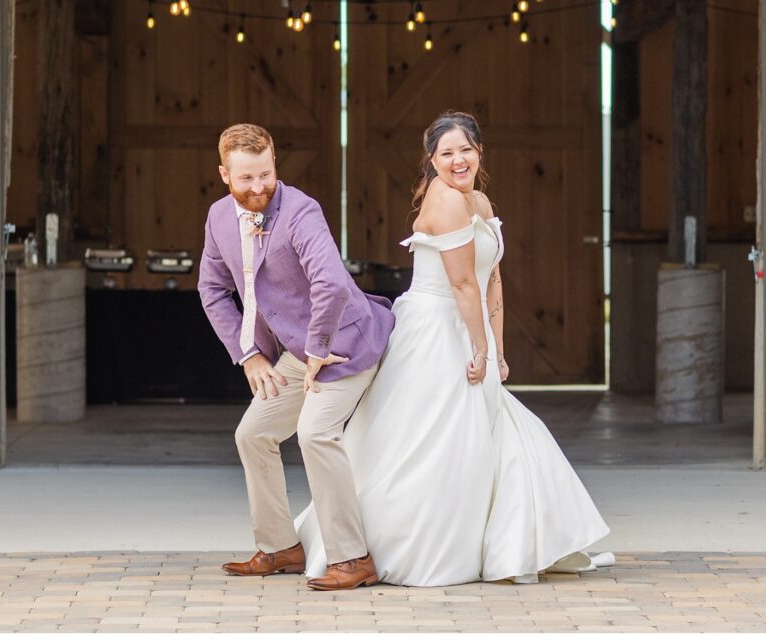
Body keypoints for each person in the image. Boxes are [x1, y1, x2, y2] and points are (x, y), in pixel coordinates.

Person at [294, 111, 612, 586]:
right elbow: (463, 283)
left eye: (465, 150)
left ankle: (500, 543)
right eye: (446, 153)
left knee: (487, 433)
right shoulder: (445, 202)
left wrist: (497, 350)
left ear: (479, 152)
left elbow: (492, 280)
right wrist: (479, 351)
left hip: (468, 326)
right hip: (434, 328)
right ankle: (390, 547)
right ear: (432, 160)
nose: (457, 160)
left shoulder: (479, 200)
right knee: (427, 438)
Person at [198, 123, 395, 590]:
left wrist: (317, 350)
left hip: (343, 341)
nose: (259, 187)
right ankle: (281, 547)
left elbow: (328, 282)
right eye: (246, 178)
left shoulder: (301, 210)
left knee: (314, 433)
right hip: (292, 348)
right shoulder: (218, 218)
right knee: (252, 434)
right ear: (225, 174)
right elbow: (211, 288)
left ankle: (353, 559)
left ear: (274, 164)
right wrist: (249, 355)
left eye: (266, 174)